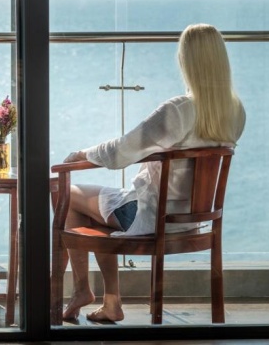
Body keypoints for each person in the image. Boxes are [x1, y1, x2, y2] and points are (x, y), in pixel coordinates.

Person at [61, 23, 246, 322]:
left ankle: (84, 290)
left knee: (67, 194)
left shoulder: (179, 110)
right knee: (96, 211)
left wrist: (82, 154)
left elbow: (122, 151)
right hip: (192, 221)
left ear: (186, 60)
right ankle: (109, 303)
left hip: (153, 218)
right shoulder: (236, 111)